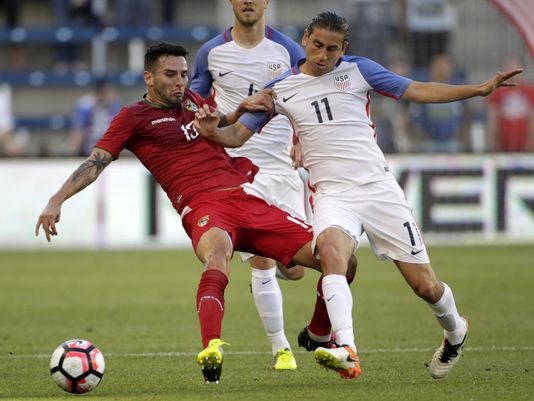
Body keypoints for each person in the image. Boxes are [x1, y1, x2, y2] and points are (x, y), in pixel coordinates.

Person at [193, 11, 523, 380]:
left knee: (426, 287)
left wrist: (478, 89)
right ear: (305, 39)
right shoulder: (280, 89)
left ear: (343, 49)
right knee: (333, 257)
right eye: (317, 45)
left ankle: (455, 332)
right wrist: (212, 133)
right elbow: (238, 136)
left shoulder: (359, 71)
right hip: (333, 194)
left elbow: (416, 90)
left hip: (379, 191)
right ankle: (346, 348)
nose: (322, 55)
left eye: (332, 49)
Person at [35, 42, 355, 384]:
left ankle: (319, 333)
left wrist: (236, 113)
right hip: (202, 207)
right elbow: (95, 162)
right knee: (218, 256)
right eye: (170, 75)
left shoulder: (193, 102)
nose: (180, 81)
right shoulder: (132, 117)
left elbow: (218, 127)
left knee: (341, 259)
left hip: (246, 198)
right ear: (149, 77)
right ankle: (211, 348)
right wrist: (57, 200)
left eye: (185, 74)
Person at [190, 0, 308, 371]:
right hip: (238, 170)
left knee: (297, 268)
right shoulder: (211, 53)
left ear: (267, 2)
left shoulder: (290, 51)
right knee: (261, 261)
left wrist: (303, 139)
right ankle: (281, 349)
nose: (247, 2)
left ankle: (281, 270)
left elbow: (311, 97)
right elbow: (195, 103)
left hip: (283, 170)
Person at [409, 53, 470, 153]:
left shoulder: (458, 90)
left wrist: (461, 137)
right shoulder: (423, 90)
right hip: (428, 143)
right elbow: (415, 118)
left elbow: (465, 116)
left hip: (452, 142)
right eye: (439, 66)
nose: (443, 69)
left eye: (446, 66)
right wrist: (420, 139)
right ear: (432, 67)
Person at [487, 55, 534, 152]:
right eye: (509, 71)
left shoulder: (530, 91)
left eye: (515, 71)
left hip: (525, 143)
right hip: (503, 143)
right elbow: (492, 120)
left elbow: (532, 119)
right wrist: (492, 142)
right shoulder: (497, 92)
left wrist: (531, 141)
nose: (513, 75)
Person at [68, 78, 122, 156]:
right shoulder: (86, 104)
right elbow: (78, 129)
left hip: (110, 149)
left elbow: (120, 130)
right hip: (89, 149)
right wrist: (73, 152)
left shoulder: (114, 103)